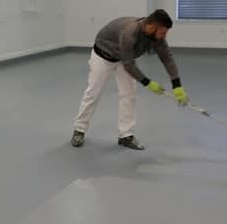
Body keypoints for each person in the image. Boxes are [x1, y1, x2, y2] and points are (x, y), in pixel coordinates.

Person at [71, 9, 188, 150]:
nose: (164, 36)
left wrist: (177, 85)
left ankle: (126, 135)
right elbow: (129, 65)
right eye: (162, 32)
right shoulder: (129, 32)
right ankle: (79, 130)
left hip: (123, 59)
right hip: (103, 56)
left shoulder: (156, 36)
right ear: (151, 27)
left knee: (129, 94)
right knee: (93, 93)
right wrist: (148, 83)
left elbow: (167, 58)